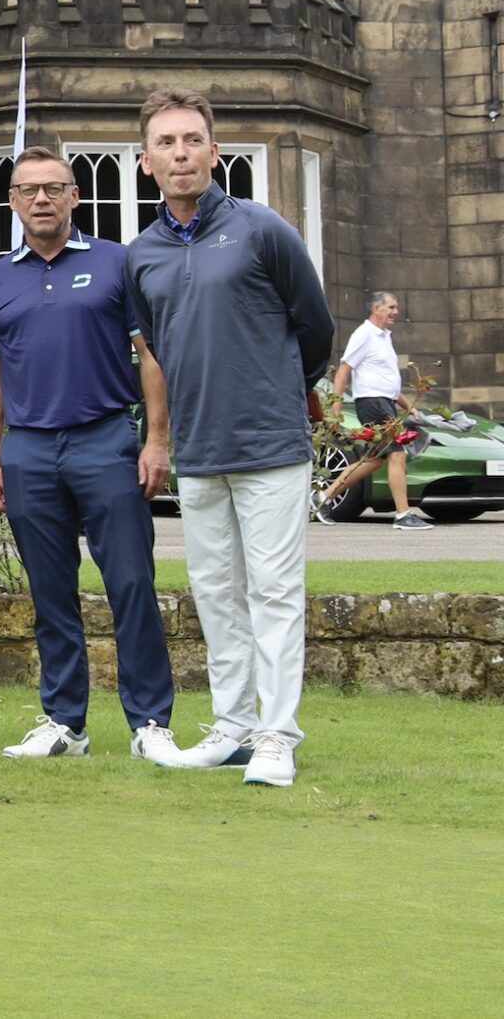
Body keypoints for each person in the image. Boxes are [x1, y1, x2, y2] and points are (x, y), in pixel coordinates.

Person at [127, 87, 334, 788]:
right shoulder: (143, 254)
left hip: (271, 443)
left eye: (192, 140)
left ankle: (278, 733)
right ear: (145, 161)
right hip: (199, 449)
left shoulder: (262, 228)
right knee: (216, 591)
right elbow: (156, 346)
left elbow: (316, 327)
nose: (180, 153)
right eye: (166, 143)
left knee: (274, 591)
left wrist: (281, 389)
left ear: (214, 152)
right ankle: (234, 725)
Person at [0, 146, 183, 764]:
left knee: (132, 584)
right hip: (29, 450)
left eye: (54, 188)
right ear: (11, 202)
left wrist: (156, 440)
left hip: (106, 440)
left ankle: (150, 724)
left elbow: (152, 357)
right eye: (29, 190)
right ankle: (66, 722)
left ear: (75, 196)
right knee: (50, 593)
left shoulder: (118, 264)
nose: (41, 199)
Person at [319, 291, 430, 530]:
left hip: (383, 402)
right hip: (371, 403)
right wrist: (336, 406)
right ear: (376, 309)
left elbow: (386, 381)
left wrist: (408, 408)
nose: (396, 312)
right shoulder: (365, 334)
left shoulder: (384, 337)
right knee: (397, 453)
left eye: (396, 307)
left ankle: (323, 496)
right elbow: (344, 369)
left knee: (373, 461)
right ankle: (402, 515)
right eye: (391, 307)